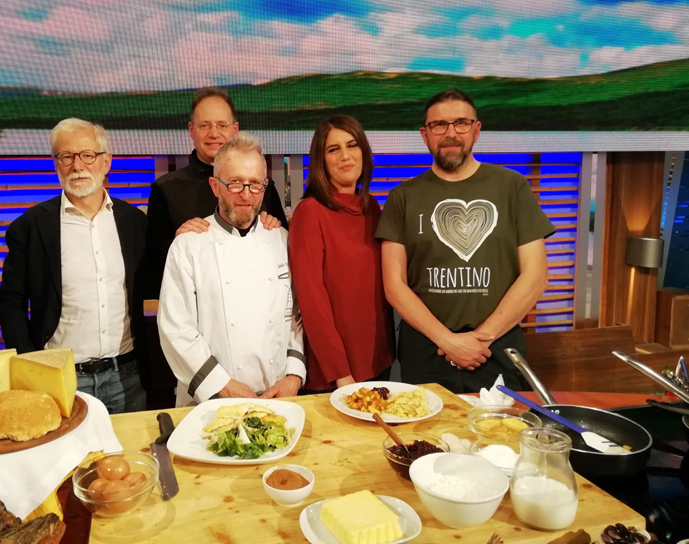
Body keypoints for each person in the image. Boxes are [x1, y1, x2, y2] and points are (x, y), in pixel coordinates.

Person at [376, 89, 555, 393]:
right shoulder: (402, 197)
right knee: (425, 441)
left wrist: (480, 339)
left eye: (461, 123)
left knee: (499, 438)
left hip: (497, 350)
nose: (450, 134)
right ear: (424, 134)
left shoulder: (512, 187)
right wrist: (449, 342)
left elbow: (536, 275)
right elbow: (394, 285)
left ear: (476, 129)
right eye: (439, 125)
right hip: (427, 352)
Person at [144, 86, 288, 406]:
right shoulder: (167, 191)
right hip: (208, 381)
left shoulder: (275, 228)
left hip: (271, 384)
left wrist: (293, 372)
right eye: (205, 125)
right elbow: (161, 291)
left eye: (222, 125)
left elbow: (288, 300)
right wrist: (180, 244)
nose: (244, 194)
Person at [0, 118, 148, 414]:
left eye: (87, 155)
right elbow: (11, 300)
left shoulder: (135, 222)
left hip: (128, 376)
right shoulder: (30, 227)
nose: (77, 166)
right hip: (61, 379)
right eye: (66, 156)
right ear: (56, 164)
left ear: (106, 162)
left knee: (129, 457)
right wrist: (29, 363)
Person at [158, 133, 305, 407]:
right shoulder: (188, 246)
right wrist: (221, 386)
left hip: (276, 394)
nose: (246, 195)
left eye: (255, 185)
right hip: (210, 399)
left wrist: (294, 375)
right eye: (235, 184)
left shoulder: (282, 239)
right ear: (215, 186)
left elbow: (297, 314)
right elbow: (176, 329)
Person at [288, 116, 394, 392]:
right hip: (337, 375)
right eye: (333, 149)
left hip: (378, 362)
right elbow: (312, 302)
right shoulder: (310, 212)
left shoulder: (370, 205)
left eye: (352, 145)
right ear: (320, 160)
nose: (345, 156)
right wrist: (340, 373)